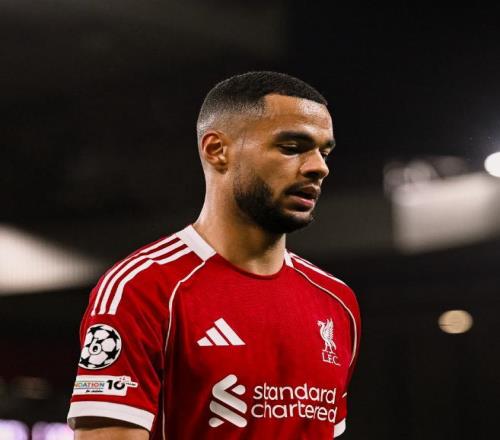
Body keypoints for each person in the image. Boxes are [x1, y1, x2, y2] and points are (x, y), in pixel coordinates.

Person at [67, 71, 361, 439]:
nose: (319, 167)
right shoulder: (142, 289)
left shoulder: (337, 302)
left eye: (324, 151)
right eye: (291, 147)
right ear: (217, 150)